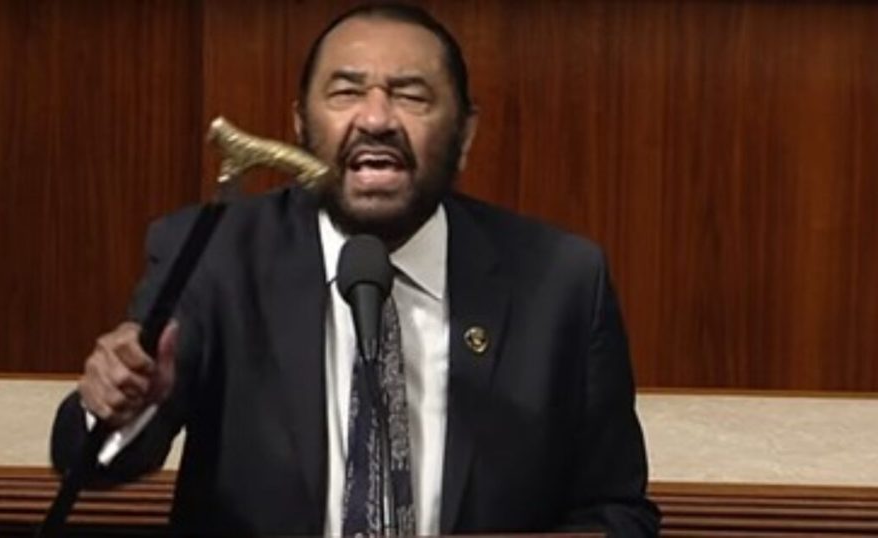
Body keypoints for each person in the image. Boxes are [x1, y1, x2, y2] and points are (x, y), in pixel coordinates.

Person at [51, 3, 660, 536]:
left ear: (466, 133)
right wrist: (121, 405)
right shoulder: (217, 254)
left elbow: (617, 511)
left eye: (411, 95)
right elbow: (88, 459)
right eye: (345, 92)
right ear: (301, 124)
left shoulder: (560, 281)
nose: (376, 119)